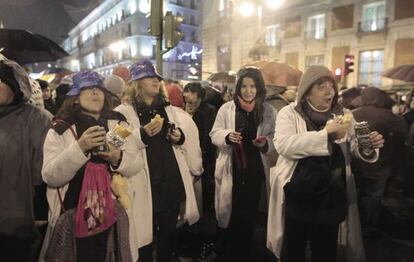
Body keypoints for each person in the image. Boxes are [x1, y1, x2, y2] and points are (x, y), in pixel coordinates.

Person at [267, 66, 385, 262]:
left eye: (332, 86)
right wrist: (327, 134)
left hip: (332, 195)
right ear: (307, 91)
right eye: (321, 86)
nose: (329, 91)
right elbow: (284, 145)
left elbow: (355, 146)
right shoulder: (289, 113)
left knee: (325, 250)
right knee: (294, 248)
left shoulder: (345, 114)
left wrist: (368, 147)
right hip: (298, 193)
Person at [40, 70, 142, 262]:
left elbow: (136, 164)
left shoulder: (117, 124)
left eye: (98, 89)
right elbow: (50, 175)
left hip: (112, 215)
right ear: (76, 98)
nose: (95, 92)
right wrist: (80, 148)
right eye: (87, 89)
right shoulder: (60, 129)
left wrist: (116, 157)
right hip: (73, 215)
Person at [115, 59, 202, 262]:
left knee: (168, 237)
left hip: (169, 183)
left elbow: (182, 138)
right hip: (144, 185)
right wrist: (141, 134)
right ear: (136, 84)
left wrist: (178, 137)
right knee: (143, 238)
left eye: (156, 78)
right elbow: (115, 141)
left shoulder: (169, 109)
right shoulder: (123, 112)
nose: (156, 81)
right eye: (149, 77)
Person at [210, 67, 277, 261]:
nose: (248, 91)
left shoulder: (268, 110)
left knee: (249, 214)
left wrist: (266, 143)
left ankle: (244, 251)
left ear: (259, 88)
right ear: (238, 88)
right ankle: (225, 251)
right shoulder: (227, 108)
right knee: (228, 212)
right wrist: (227, 136)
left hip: (255, 170)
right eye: (245, 86)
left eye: (253, 86)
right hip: (233, 169)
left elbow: (275, 136)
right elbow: (214, 133)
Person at [0, 55, 50, 262]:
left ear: (14, 85)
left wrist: (41, 210)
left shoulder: (37, 118)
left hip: (21, 218)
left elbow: (45, 167)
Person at [351, 87, 408, 236]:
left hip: (357, 164)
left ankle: (355, 226)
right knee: (374, 196)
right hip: (380, 165)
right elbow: (403, 127)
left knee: (356, 195)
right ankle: (369, 226)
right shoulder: (387, 116)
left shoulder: (353, 114)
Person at [184, 82, 217, 214]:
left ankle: (207, 209)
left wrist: (203, 150)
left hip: (205, 152)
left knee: (205, 180)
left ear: (199, 95)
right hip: (191, 150)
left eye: (191, 92)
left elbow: (207, 132)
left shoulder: (208, 110)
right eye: (186, 91)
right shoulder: (186, 108)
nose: (187, 95)